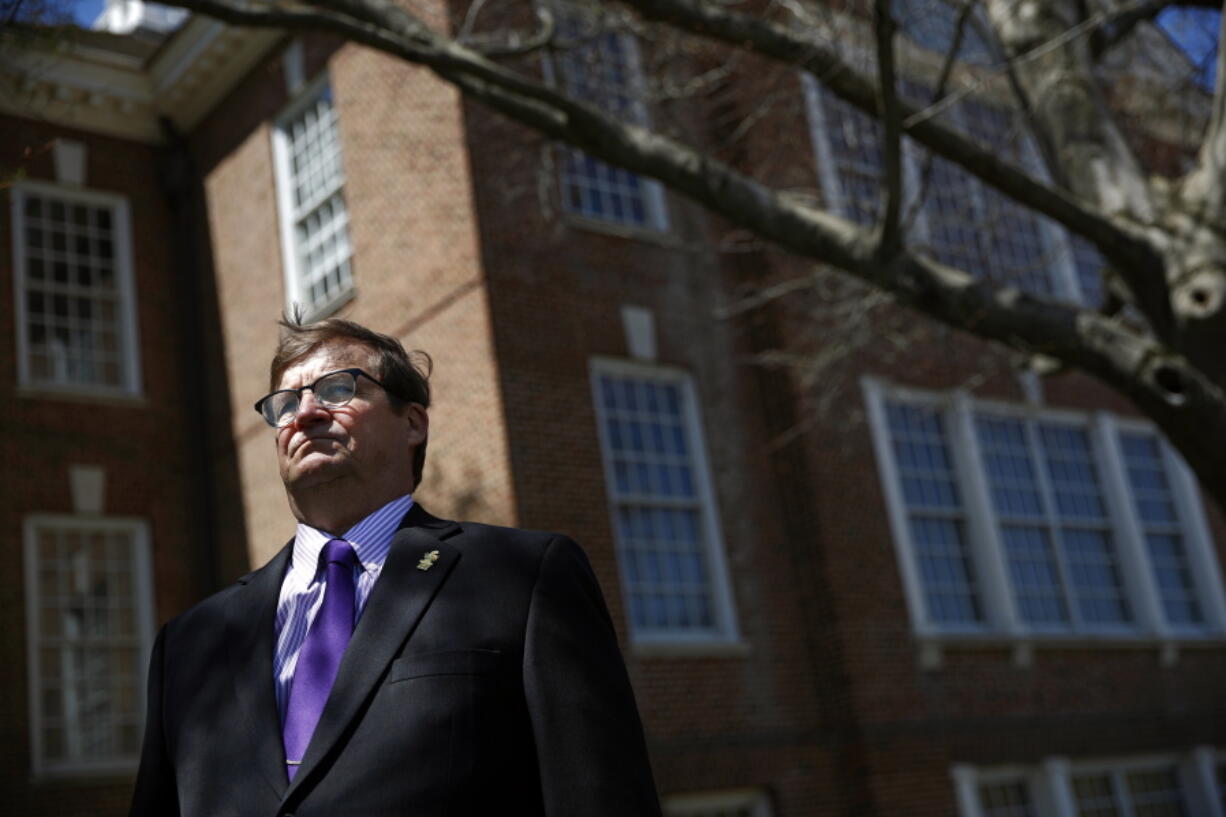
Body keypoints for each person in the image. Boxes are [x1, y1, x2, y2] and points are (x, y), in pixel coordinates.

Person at [129, 317, 662, 817]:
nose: (307, 413)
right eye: (285, 404)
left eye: (338, 389)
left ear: (412, 422)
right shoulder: (189, 643)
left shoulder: (524, 578)